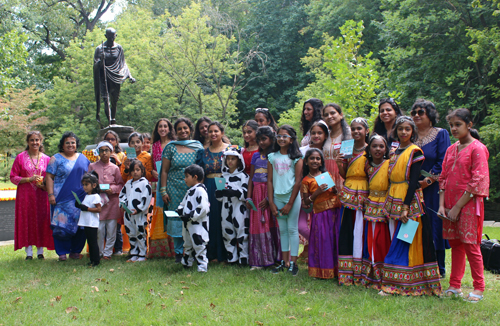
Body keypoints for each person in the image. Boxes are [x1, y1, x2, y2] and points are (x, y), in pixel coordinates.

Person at [380, 116, 441, 296]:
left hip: (410, 202)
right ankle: (396, 281)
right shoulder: (395, 151)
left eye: (407, 129)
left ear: (412, 131)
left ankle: (401, 283)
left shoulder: (415, 151)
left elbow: (414, 181)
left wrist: (406, 206)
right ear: (396, 131)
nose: (404, 132)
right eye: (400, 129)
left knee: (405, 240)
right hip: (393, 197)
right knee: (396, 237)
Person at [438, 108, 489, 303]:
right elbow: (442, 178)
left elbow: (479, 180)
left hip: (467, 204)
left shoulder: (477, 148)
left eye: (458, 124)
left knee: (471, 245)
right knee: (456, 245)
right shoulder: (451, 149)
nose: (453, 128)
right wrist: (442, 206)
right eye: (451, 125)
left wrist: (457, 207)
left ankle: (479, 288)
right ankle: (454, 286)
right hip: (449, 204)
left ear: (469, 125)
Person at [411, 99, 451, 278]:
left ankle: (438, 268)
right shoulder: (409, 135)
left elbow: (444, 161)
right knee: (412, 223)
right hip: (411, 189)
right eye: (414, 112)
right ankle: (415, 264)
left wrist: (427, 181)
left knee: (434, 224)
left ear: (430, 114)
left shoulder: (440, 134)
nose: (417, 115)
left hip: (433, 188)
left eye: (421, 112)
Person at [160, 118, 203, 263]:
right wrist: (164, 191)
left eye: (185, 128)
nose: (183, 131)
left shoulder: (198, 146)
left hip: (192, 188)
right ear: (175, 131)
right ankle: (179, 252)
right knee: (177, 218)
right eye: (179, 129)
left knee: (192, 217)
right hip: (173, 188)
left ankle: (193, 250)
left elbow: (201, 169)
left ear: (190, 129)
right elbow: (164, 171)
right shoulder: (170, 147)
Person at [45, 132, 90, 261]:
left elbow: (89, 175)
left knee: (80, 225)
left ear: (76, 144)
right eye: (67, 143)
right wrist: (51, 194)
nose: (70, 145)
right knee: (61, 226)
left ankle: (76, 251)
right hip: (61, 199)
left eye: (73, 142)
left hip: (80, 198)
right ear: (62, 145)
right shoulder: (56, 158)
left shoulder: (83, 158)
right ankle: (62, 252)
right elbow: (49, 177)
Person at [10, 131, 54, 259]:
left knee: (42, 219)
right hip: (26, 195)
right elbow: (13, 177)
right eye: (32, 140)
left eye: (37, 140)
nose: (35, 143)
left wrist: (44, 185)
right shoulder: (20, 157)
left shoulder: (47, 158)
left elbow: (51, 177)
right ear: (28, 142)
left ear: (41, 142)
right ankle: (28, 251)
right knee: (27, 220)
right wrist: (29, 179)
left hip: (41, 194)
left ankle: (40, 251)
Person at [337, 118, 370, 286]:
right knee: (347, 228)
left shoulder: (371, 147)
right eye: (354, 129)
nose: (356, 132)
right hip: (349, 190)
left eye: (359, 128)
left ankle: (363, 272)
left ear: (366, 130)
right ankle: (346, 273)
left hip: (365, 191)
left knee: (363, 230)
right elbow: (344, 173)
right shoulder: (347, 146)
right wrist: (338, 164)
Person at [268, 125, 303, 276]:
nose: (281, 139)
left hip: (292, 199)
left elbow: (298, 181)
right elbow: (269, 180)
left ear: (292, 139)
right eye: (279, 136)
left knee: (292, 230)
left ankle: (293, 264)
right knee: (282, 230)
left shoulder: (296, 157)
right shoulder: (272, 157)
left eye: (285, 136)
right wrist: (271, 202)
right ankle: (284, 262)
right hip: (277, 198)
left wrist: (290, 203)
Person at [301, 148, 340, 279]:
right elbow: (306, 202)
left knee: (334, 239)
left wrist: (334, 190)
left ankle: (336, 270)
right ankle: (321, 270)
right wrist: (316, 193)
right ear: (306, 161)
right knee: (322, 240)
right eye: (312, 158)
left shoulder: (326, 175)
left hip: (334, 210)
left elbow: (333, 191)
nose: (315, 161)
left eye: (318, 158)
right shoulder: (306, 180)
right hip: (320, 214)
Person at [247, 126, 281, 270]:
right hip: (256, 194)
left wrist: (269, 198)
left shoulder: (276, 156)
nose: (261, 142)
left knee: (272, 224)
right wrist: (248, 197)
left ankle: (276, 258)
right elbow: (251, 177)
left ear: (272, 139)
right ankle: (259, 259)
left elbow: (277, 179)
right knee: (258, 225)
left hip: (270, 194)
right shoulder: (255, 156)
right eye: (259, 139)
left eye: (264, 139)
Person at [360, 135, 391, 289]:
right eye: (374, 146)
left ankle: (385, 274)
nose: (378, 149)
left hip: (386, 205)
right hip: (371, 205)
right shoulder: (367, 166)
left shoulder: (390, 164)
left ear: (386, 149)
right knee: (371, 239)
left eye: (381, 146)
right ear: (369, 149)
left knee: (383, 239)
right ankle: (373, 274)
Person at [196, 122, 230, 262]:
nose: (213, 134)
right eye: (210, 131)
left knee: (225, 217)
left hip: (226, 186)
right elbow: (199, 173)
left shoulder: (230, 150)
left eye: (216, 131)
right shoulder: (202, 152)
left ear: (222, 132)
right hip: (209, 186)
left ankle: (227, 253)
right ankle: (212, 253)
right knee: (211, 218)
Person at [298, 120, 330, 259]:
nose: (316, 135)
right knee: (300, 225)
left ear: (325, 135)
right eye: (313, 133)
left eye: (320, 133)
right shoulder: (303, 151)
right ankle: (316, 245)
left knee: (323, 227)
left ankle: (320, 251)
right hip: (304, 193)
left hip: (324, 195)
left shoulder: (329, 151)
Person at [88, 141, 124, 260]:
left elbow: (120, 185)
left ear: (111, 152)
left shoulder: (114, 168)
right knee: (99, 230)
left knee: (111, 230)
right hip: (98, 203)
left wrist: (112, 189)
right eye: (101, 150)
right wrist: (96, 188)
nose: (104, 153)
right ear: (98, 152)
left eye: (106, 150)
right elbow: (88, 183)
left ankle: (107, 253)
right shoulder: (92, 166)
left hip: (112, 203)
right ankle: (99, 252)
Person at [93, 28, 136, 125]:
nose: (111, 39)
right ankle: (110, 121)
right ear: (105, 36)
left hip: (116, 76)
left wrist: (130, 76)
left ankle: (113, 118)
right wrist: (100, 61)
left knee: (114, 100)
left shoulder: (119, 48)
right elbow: (95, 64)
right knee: (106, 99)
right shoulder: (99, 49)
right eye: (109, 37)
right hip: (104, 78)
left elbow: (123, 64)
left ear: (115, 36)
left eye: (113, 37)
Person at [216, 147, 250, 265]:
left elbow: (246, 194)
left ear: (239, 160)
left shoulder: (243, 176)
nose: (230, 161)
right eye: (228, 159)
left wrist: (235, 192)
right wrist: (219, 193)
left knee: (242, 231)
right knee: (227, 231)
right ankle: (232, 258)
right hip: (226, 208)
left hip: (239, 208)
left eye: (233, 159)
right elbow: (219, 197)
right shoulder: (223, 177)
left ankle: (244, 258)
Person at [148, 118, 176, 259]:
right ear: (157, 129)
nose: (163, 129)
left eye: (165, 126)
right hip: (157, 182)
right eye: (160, 126)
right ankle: (160, 248)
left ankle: (174, 246)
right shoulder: (154, 145)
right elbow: (153, 163)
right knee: (159, 211)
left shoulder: (174, 144)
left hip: (171, 181)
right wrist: (153, 172)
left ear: (170, 129)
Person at [176, 164, 210, 272]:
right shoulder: (190, 191)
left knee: (199, 244)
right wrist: (180, 211)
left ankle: (202, 266)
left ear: (195, 177)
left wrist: (190, 215)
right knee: (187, 244)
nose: (185, 179)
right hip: (188, 224)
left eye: (187, 176)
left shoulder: (200, 191)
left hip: (198, 225)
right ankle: (187, 262)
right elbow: (182, 204)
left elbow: (203, 208)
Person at [119, 159, 153, 262]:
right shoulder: (128, 183)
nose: (135, 172)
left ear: (142, 171)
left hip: (139, 214)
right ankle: (134, 252)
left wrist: (139, 209)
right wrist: (123, 204)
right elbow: (122, 195)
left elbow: (146, 198)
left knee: (140, 232)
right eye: (133, 170)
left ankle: (142, 254)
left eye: (138, 170)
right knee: (131, 232)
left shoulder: (145, 184)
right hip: (129, 214)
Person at [103, 130, 126, 255]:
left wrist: (118, 161)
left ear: (116, 141)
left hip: (116, 193)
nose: (110, 141)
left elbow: (124, 175)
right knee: (103, 223)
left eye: (112, 139)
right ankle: (106, 249)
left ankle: (118, 248)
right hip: (103, 195)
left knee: (116, 223)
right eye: (107, 139)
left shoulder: (121, 155)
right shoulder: (101, 155)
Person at [322, 103, 351, 193]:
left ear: (341, 115)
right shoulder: (325, 135)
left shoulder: (349, 133)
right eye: (326, 115)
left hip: (343, 175)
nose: (329, 116)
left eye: (332, 113)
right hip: (327, 176)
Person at [75, 171, 102, 267]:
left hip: (92, 222)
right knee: (89, 242)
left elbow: (99, 209)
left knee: (93, 242)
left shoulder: (95, 196)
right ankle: (92, 260)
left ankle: (96, 260)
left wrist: (86, 209)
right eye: (83, 185)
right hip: (86, 222)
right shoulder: (87, 196)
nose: (84, 187)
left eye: (86, 184)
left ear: (94, 185)